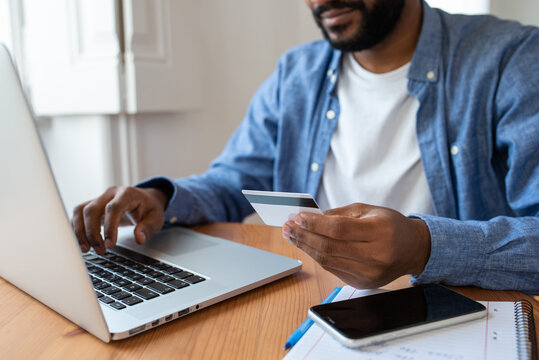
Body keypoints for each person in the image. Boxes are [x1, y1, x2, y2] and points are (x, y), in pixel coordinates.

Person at [71, 0, 539, 292]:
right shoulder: (296, 73)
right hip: (314, 303)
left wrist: (423, 246)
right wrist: (158, 197)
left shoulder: (511, 60)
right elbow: (232, 180)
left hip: (462, 311)